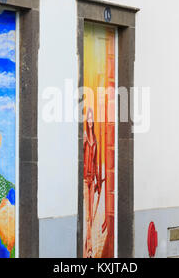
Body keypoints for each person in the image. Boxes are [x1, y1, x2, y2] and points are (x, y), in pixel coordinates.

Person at [83, 108, 102, 258]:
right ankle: (89, 249)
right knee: (88, 216)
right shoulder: (84, 138)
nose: (90, 121)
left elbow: (95, 162)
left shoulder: (94, 138)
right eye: (88, 118)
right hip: (84, 180)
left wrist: (96, 179)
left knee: (91, 214)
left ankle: (87, 246)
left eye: (92, 119)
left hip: (91, 179)